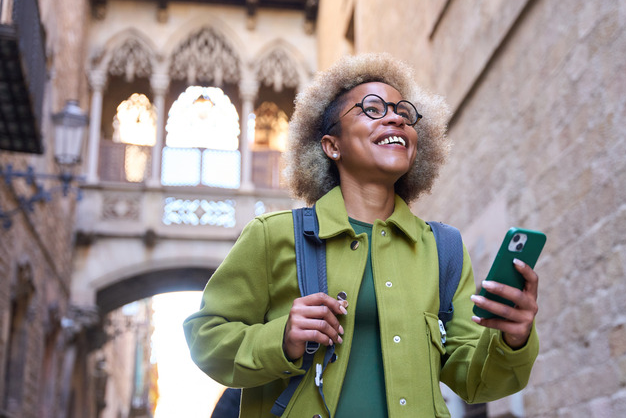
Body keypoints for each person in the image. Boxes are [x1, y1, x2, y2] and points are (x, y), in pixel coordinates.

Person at [184, 52, 539, 417]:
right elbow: (206, 338)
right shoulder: (271, 237)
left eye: (404, 113)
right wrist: (283, 338)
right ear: (331, 146)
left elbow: (477, 382)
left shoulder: (443, 248)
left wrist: (513, 339)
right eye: (372, 109)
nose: (395, 118)